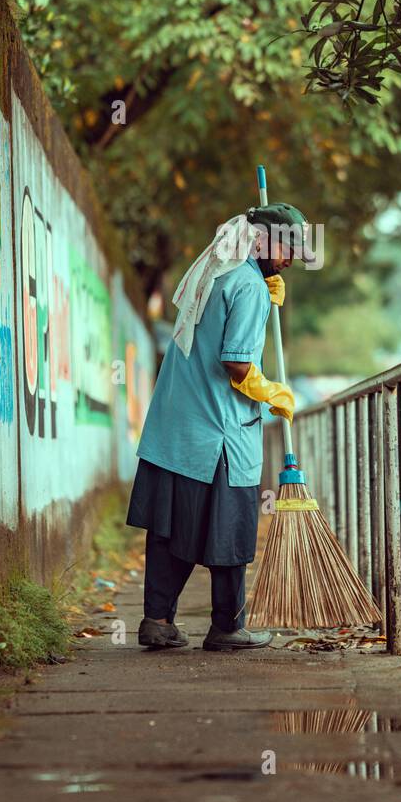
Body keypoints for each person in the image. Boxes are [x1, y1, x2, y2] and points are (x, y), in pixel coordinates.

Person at [127, 199, 310, 652]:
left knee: (171, 528)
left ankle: (157, 620)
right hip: (218, 435)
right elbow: (236, 362)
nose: (289, 261)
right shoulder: (248, 285)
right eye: (286, 249)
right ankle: (228, 627)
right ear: (264, 242)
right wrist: (271, 391)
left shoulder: (216, 271)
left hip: (176, 425)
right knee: (231, 529)